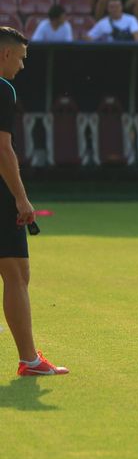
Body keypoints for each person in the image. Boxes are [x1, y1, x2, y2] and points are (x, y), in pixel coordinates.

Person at [0, 27, 68, 375]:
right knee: (15, 274)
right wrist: (22, 199)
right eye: (22, 58)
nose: (23, 66)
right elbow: (3, 149)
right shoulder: (3, 88)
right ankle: (29, 361)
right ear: (6, 54)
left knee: (17, 273)